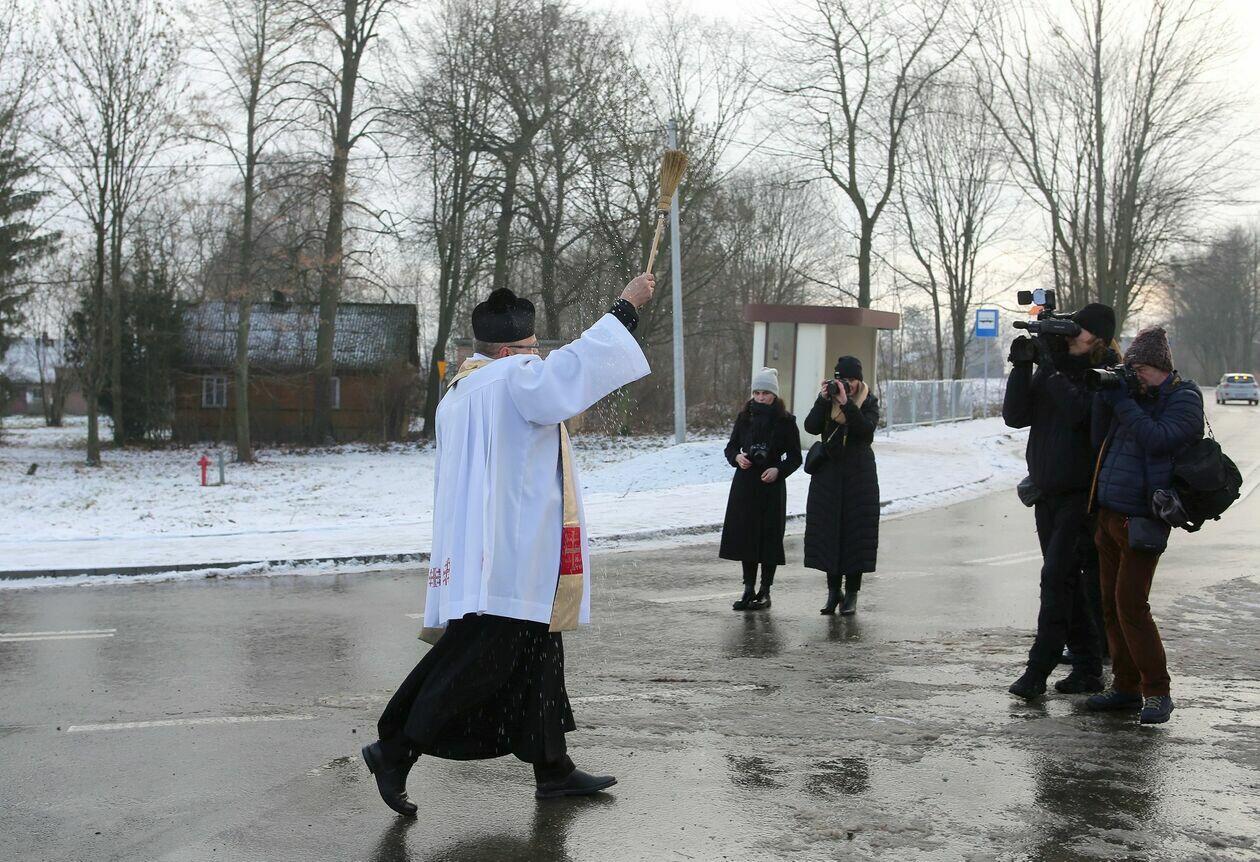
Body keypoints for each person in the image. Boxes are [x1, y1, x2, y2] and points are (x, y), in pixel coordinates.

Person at [361, 274, 655, 816]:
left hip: (488, 552)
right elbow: (571, 370)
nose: (536, 357)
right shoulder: (512, 379)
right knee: (475, 661)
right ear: (505, 351)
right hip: (514, 556)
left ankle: (553, 768)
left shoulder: (462, 390)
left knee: (538, 654)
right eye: (529, 348)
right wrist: (625, 309)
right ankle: (394, 750)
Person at [1087, 326, 1202, 725]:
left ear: (1160, 367)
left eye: (1140, 370)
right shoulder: (1134, 396)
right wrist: (1107, 397)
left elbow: (1159, 439)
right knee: (1109, 605)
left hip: (1144, 518)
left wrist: (1124, 402)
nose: (1135, 376)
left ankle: (1157, 692)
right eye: (1131, 369)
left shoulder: (1184, 397)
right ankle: (1125, 686)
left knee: (1131, 606)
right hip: (1109, 515)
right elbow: (1099, 439)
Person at [1002, 303, 1118, 701]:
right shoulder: (1055, 371)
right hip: (1047, 494)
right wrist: (1022, 368)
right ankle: (1087, 667)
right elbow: (1016, 416)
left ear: (1098, 339)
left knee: (1055, 579)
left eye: (1079, 331)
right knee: (1067, 582)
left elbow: (1079, 414)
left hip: (1082, 497)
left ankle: (1038, 669)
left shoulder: (1104, 375)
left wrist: (1050, 366)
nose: (1071, 337)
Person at [719, 368, 803, 610]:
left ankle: (765, 591)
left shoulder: (786, 421)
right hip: (745, 484)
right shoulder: (744, 417)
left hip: (771, 486)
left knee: (769, 538)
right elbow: (730, 447)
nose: (760, 397)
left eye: (765, 393)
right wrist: (737, 458)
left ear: (774, 394)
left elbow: (795, 457)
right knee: (746, 536)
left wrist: (778, 470)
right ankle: (748, 588)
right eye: (756, 392)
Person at [803, 356, 880, 616]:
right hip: (829, 475)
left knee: (855, 535)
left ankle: (852, 594)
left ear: (859, 380)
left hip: (859, 476)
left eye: (852, 380)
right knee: (829, 534)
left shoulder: (868, 401)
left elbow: (866, 431)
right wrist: (823, 399)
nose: (848, 385)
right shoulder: (828, 401)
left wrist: (847, 404)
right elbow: (811, 426)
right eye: (843, 380)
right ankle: (833, 592)